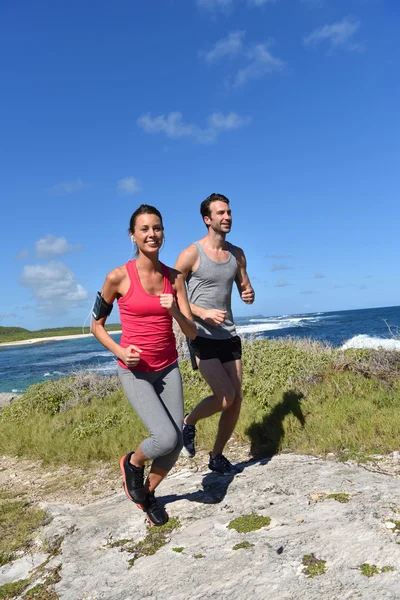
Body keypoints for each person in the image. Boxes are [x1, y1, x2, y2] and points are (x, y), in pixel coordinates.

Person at [91, 204, 197, 526]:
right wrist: (120, 351)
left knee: (176, 441)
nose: (152, 234)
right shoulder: (118, 277)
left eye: (157, 228)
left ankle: (146, 495)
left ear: (163, 233)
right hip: (135, 371)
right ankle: (132, 463)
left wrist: (176, 311)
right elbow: (97, 325)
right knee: (164, 438)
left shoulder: (175, 279)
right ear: (133, 236)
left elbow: (191, 331)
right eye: (145, 229)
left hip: (168, 368)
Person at [175, 193, 254, 474]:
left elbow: (245, 286)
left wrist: (248, 292)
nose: (227, 217)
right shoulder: (191, 254)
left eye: (229, 212)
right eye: (220, 213)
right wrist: (201, 312)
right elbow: (172, 290)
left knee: (236, 399)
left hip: (228, 334)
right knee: (224, 396)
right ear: (207, 219)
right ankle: (188, 422)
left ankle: (216, 456)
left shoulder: (237, 254)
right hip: (200, 334)